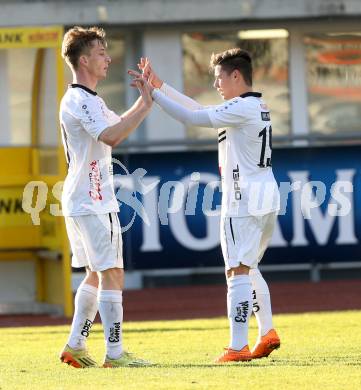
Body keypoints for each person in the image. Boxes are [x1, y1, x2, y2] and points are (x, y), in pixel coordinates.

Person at [130, 49, 281, 363]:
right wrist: (162, 86)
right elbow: (199, 108)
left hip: (242, 196)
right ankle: (266, 332)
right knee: (249, 266)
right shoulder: (254, 105)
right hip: (265, 193)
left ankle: (237, 346)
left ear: (236, 76)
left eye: (219, 78)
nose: (216, 84)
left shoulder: (241, 107)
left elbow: (192, 117)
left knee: (236, 270)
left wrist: (153, 95)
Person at [59, 26, 153, 368]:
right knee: (112, 272)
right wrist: (145, 104)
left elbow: (118, 128)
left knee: (95, 273)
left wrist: (145, 103)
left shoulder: (89, 100)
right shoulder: (80, 99)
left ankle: (76, 344)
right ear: (84, 60)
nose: (108, 58)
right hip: (92, 198)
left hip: (82, 197)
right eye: (101, 53)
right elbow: (113, 136)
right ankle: (114, 354)